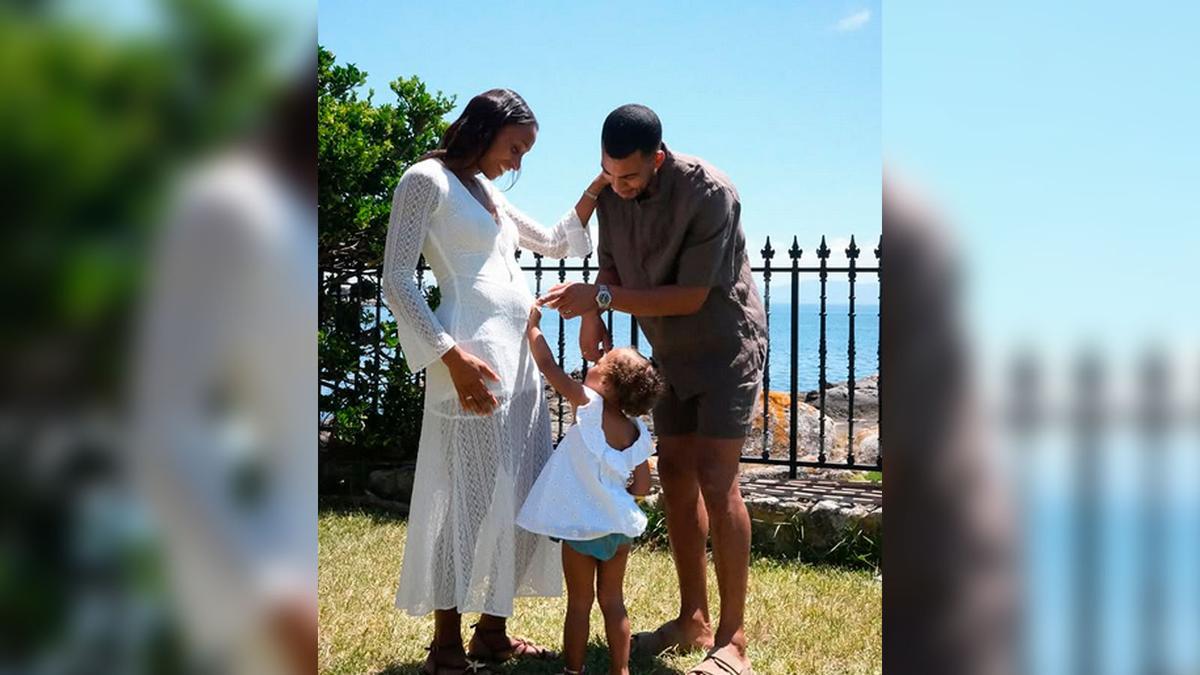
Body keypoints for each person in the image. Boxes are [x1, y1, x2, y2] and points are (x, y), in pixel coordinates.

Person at [381, 88, 609, 675]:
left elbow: (556, 243)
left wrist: (600, 185)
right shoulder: (424, 180)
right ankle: (446, 645)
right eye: (515, 147)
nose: (518, 162)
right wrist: (449, 357)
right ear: (484, 131)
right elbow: (396, 281)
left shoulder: (488, 196)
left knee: (524, 497)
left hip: (521, 364)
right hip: (471, 359)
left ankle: (492, 633)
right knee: (466, 503)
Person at [539, 104, 767, 675]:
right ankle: (693, 619)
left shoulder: (711, 193)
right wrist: (597, 313)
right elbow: (611, 269)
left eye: (632, 177)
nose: (619, 187)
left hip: (724, 347)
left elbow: (690, 296)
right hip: (668, 354)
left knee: (717, 479)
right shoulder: (613, 194)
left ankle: (732, 640)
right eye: (609, 175)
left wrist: (601, 300)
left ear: (658, 159)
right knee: (677, 478)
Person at [517, 305, 664, 675]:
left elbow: (550, 369)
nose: (595, 362)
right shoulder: (636, 431)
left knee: (579, 604)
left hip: (582, 529)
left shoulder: (588, 404)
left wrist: (533, 329)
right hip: (618, 529)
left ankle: (574, 669)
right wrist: (615, 484)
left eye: (604, 361)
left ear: (608, 385)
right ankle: (620, 669)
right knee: (613, 601)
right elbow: (642, 486)